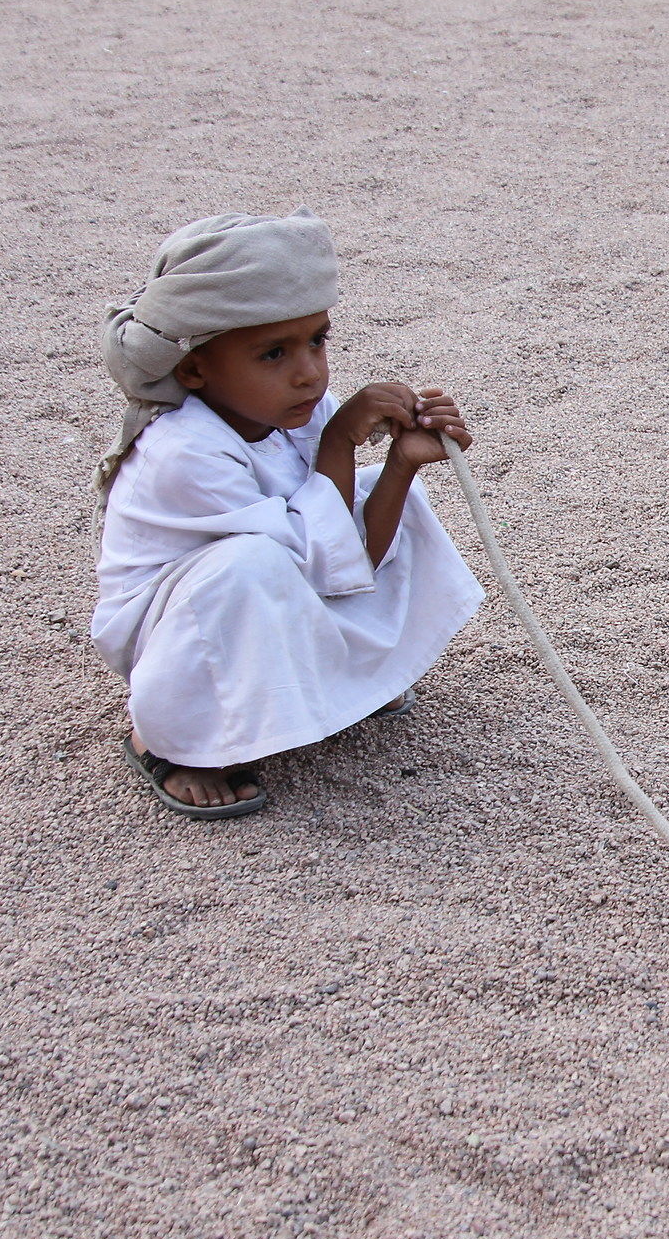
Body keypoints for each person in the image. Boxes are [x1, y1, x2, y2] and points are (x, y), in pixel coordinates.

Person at [89, 209, 484, 818]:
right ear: (194, 369)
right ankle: (169, 737)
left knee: (390, 495)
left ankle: (345, 684)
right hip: (181, 629)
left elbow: (343, 558)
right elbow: (312, 558)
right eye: (273, 353)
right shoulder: (182, 450)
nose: (309, 372)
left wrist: (403, 463)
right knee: (251, 562)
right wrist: (338, 445)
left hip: (288, 582)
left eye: (317, 340)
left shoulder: (299, 407)